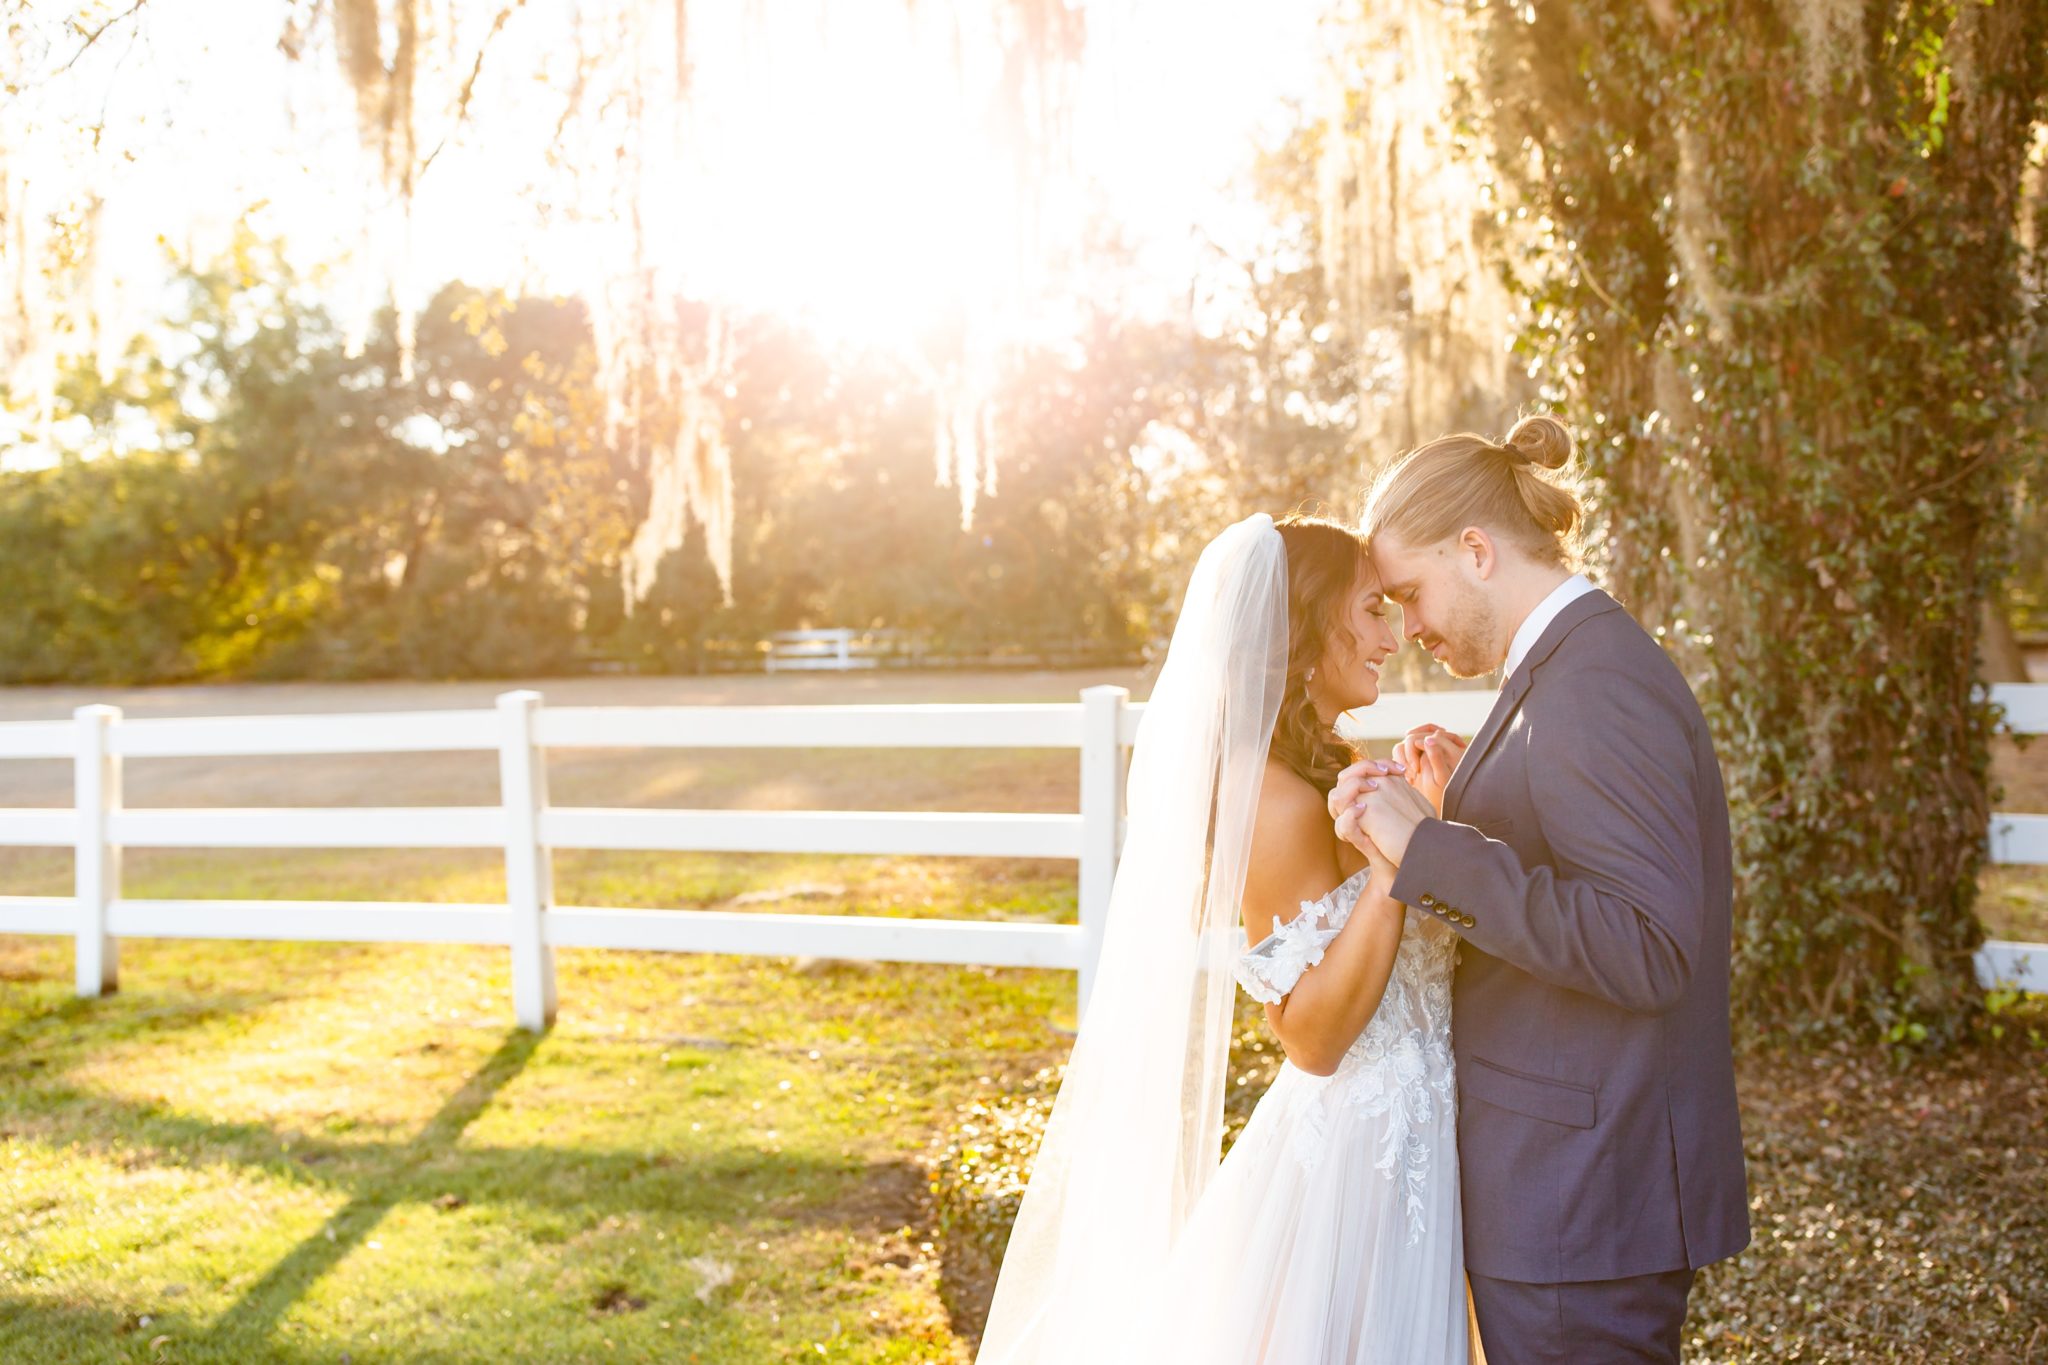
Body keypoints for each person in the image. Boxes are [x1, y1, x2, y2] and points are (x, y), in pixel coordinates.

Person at [977, 511, 1472, 1364]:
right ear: (1308, 628)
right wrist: (1404, 861)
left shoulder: (1330, 764)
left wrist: (1443, 814)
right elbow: (1310, 1035)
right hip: (1357, 1162)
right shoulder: (1274, 797)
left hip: (1412, 1144)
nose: (1392, 635)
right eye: (1370, 611)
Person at [1335, 414, 1750, 1364]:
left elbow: (1648, 944)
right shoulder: (1559, 671)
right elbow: (1573, 870)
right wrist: (1464, 813)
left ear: (1475, 550)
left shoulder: (1597, 681)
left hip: (1585, 1195)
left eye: (1410, 593)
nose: (1408, 630)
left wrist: (1434, 850)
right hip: (1564, 1183)